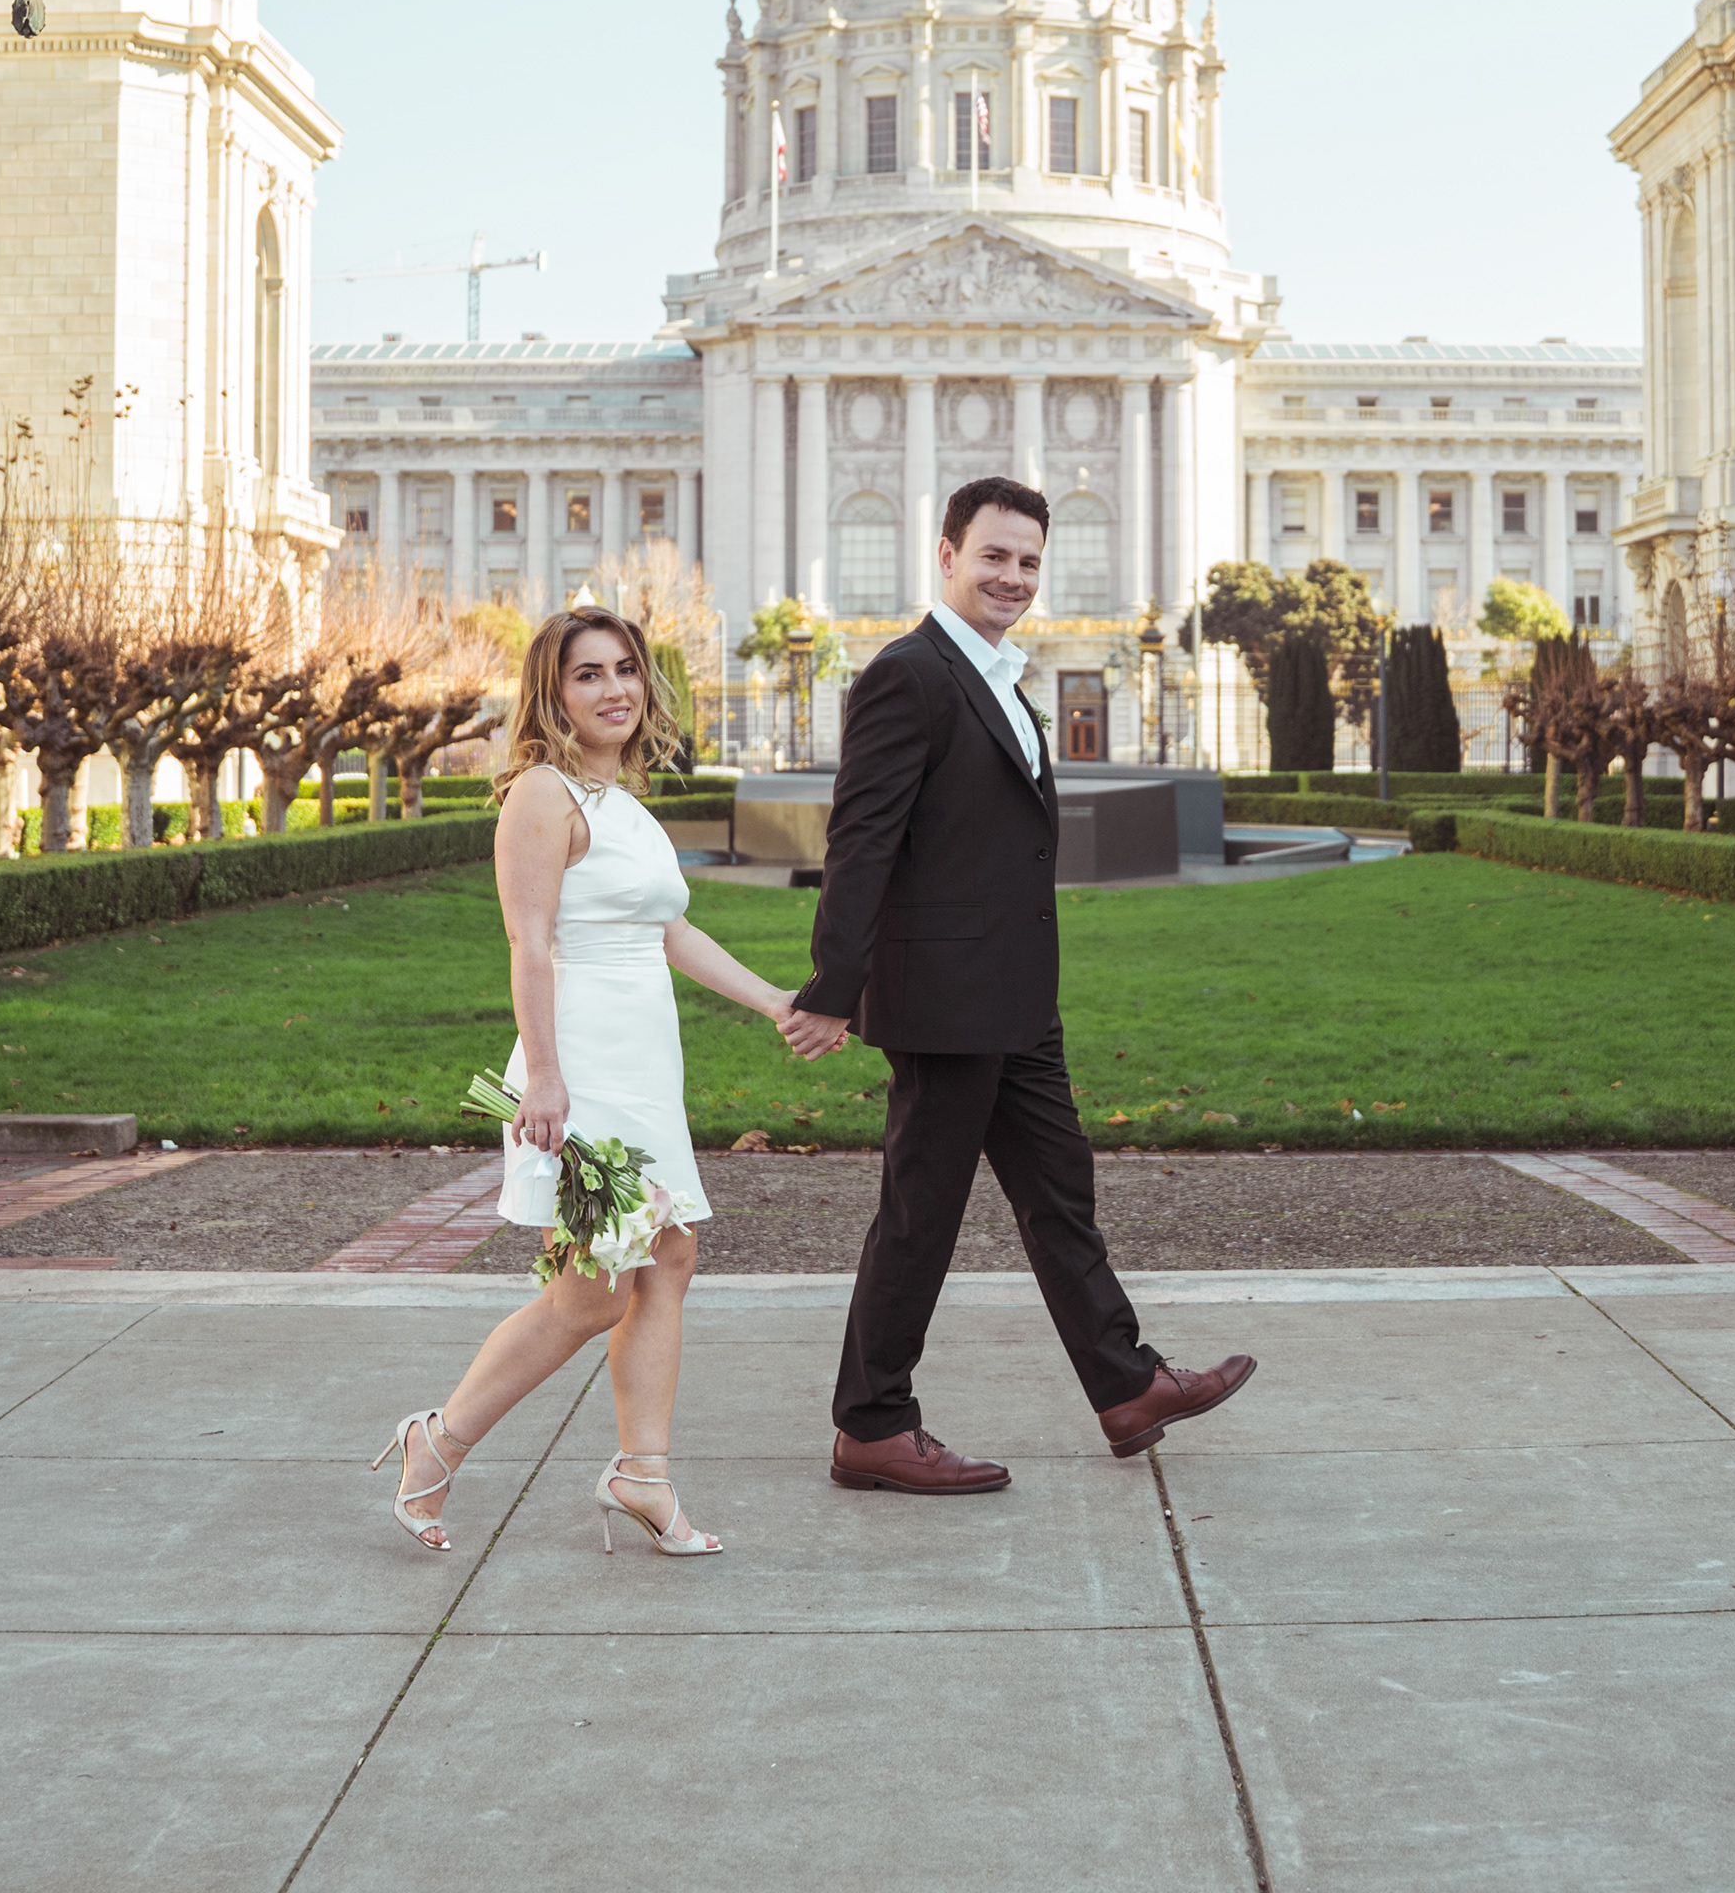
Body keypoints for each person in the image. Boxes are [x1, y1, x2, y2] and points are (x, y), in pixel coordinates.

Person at [778, 474, 1254, 1493]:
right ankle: (871, 1424)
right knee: (921, 1215)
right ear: (946, 555)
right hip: (948, 1000)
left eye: (1029, 561)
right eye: (994, 556)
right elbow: (861, 839)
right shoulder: (908, 673)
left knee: (1059, 1196)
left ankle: (1128, 1386)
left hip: (1015, 996)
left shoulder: (998, 675)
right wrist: (834, 982)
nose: (1013, 576)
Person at [375, 604, 804, 1557]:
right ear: (553, 693)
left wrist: (774, 1000)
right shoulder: (542, 794)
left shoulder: (625, 803)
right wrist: (545, 1077)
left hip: (642, 1065)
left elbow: (668, 931)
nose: (615, 689)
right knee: (595, 1289)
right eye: (588, 674)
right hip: (581, 1066)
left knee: (670, 1258)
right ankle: (437, 1441)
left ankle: (643, 1473)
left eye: (626, 669)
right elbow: (528, 942)